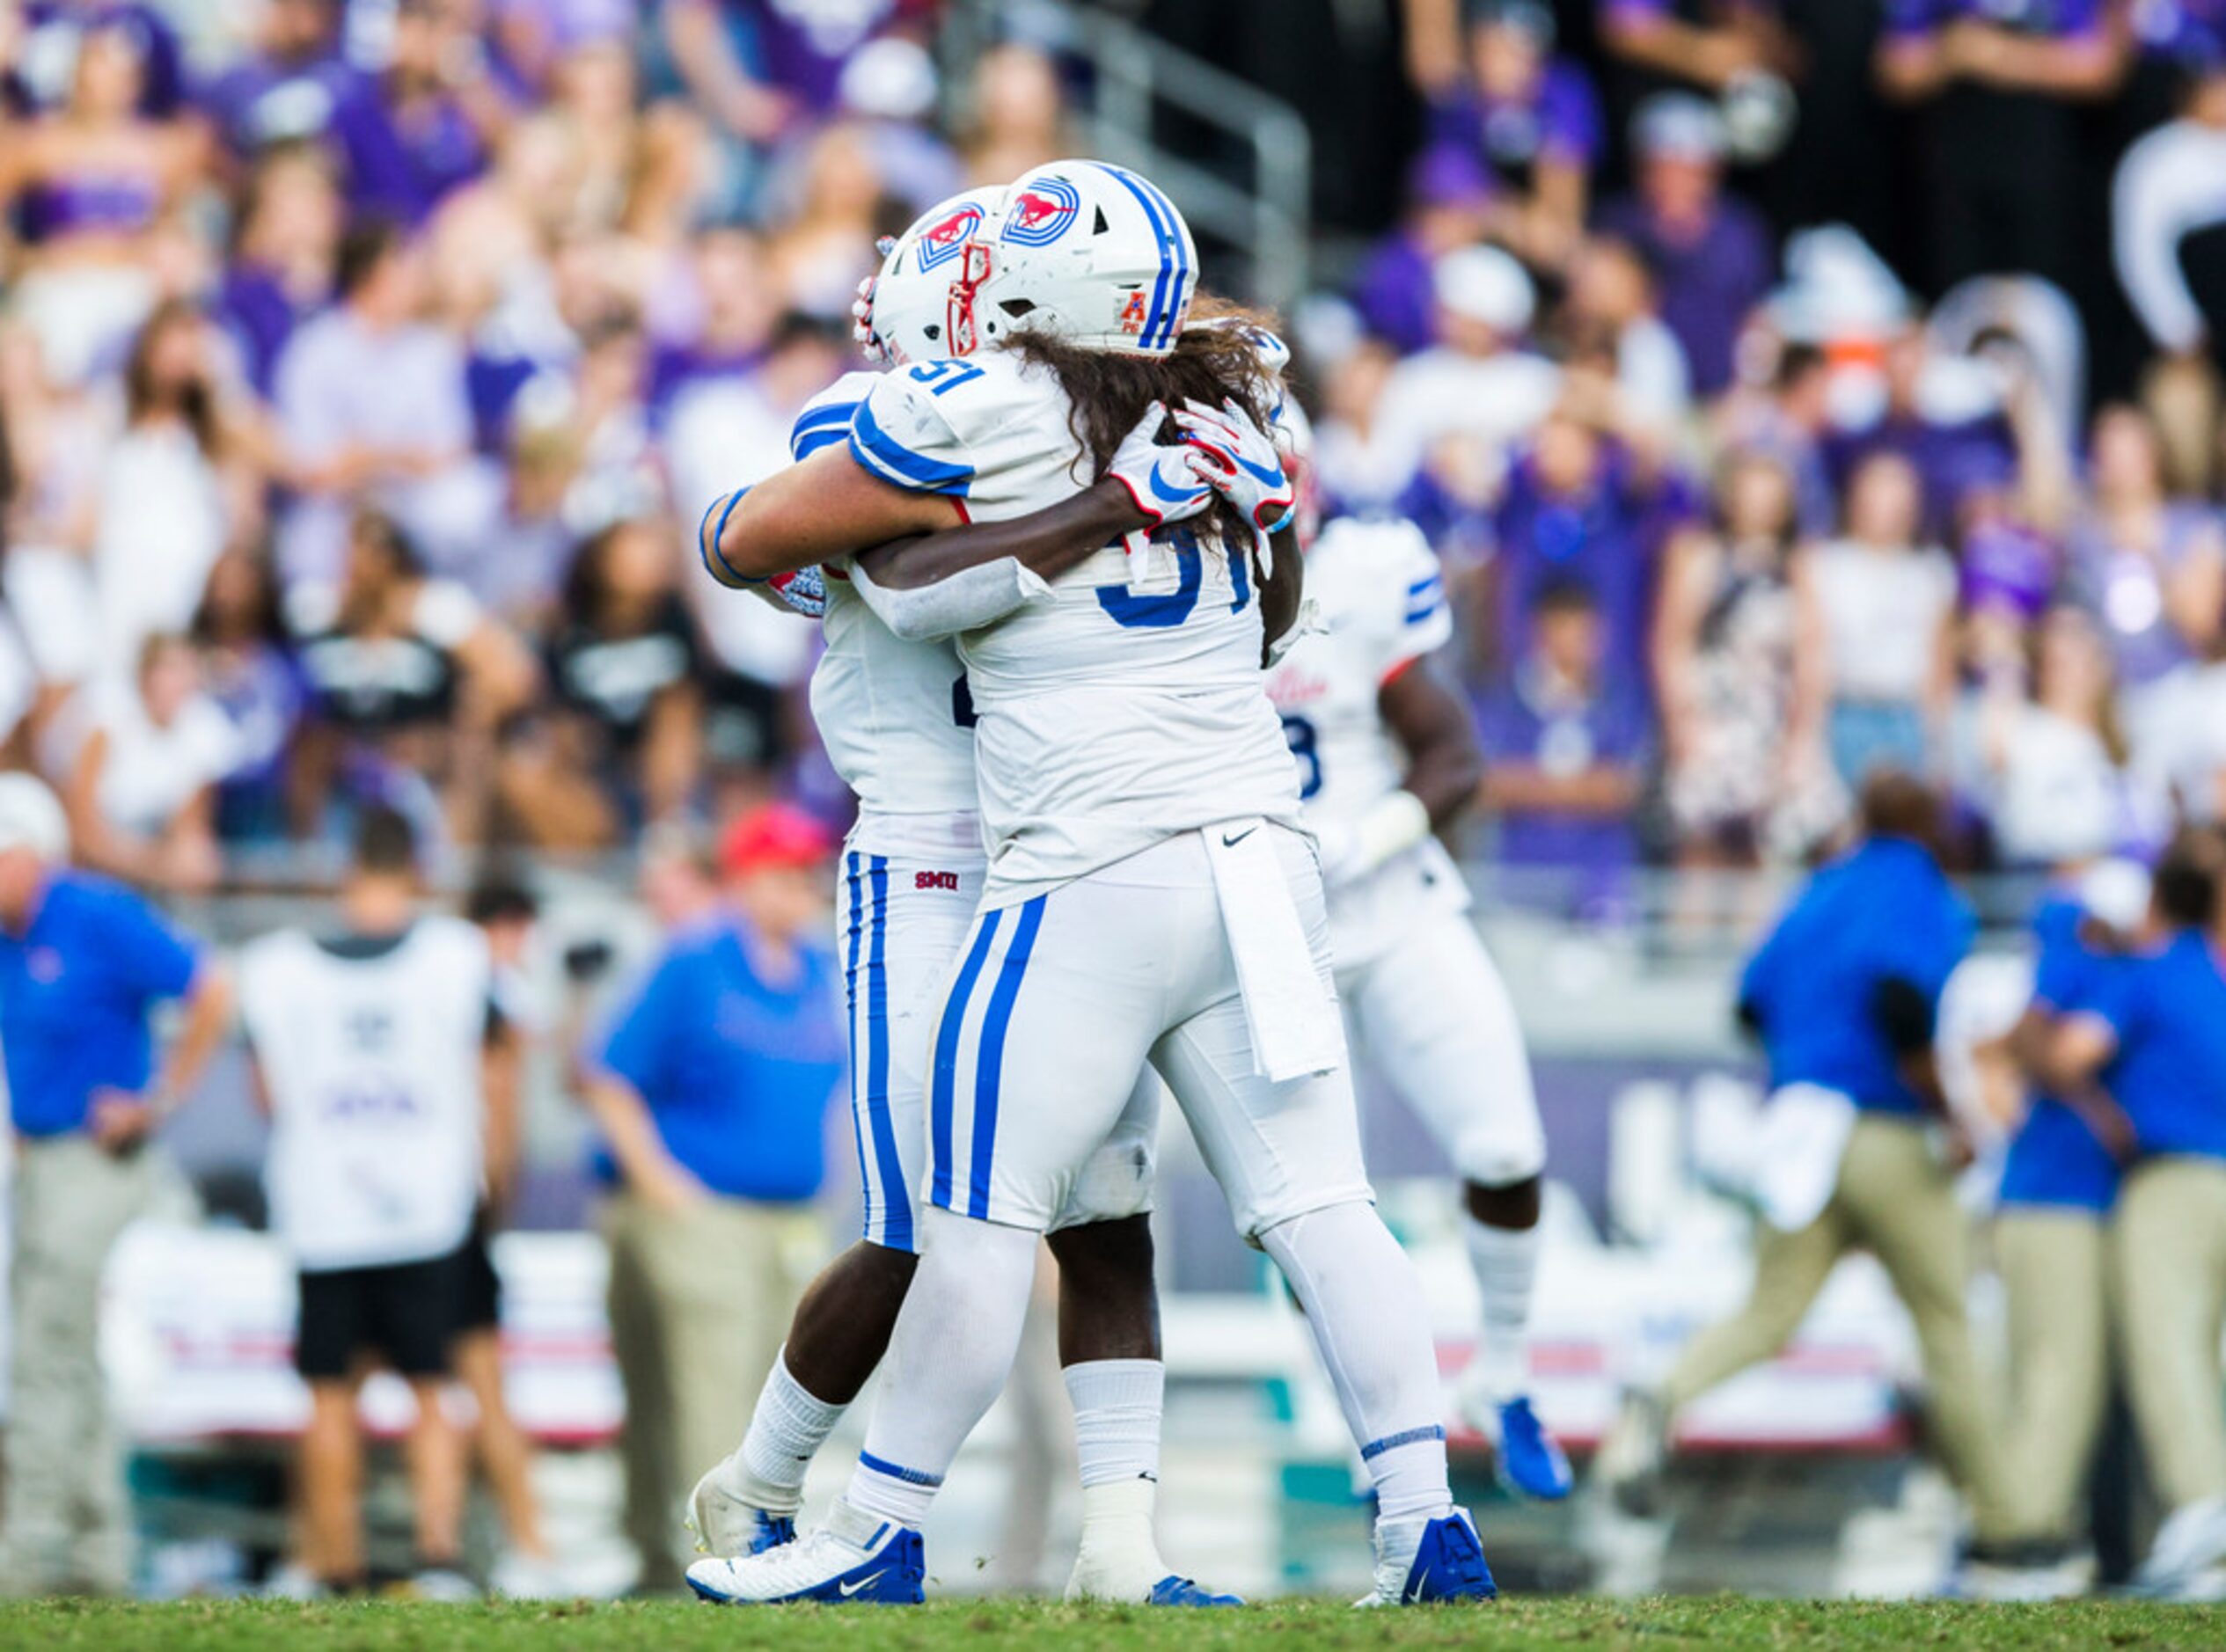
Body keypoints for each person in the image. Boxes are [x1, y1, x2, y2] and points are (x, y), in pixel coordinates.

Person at [691, 165, 1491, 1607]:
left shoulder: (963, 409)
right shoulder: (1228, 410)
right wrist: (1180, 510)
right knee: (1320, 1199)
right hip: (1246, 847)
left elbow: (881, 578)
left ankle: (883, 1527)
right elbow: (1269, 625)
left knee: (985, 1214)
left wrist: (1095, 518)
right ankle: (1424, 1517)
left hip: (1072, 863)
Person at [688, 186, 1251, 1610]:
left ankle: (1123, 1545)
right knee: (922, 1219)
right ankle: (767, 1477)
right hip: (937, 853)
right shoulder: (898, 417)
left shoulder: (1116, 418)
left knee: (1105, 1208)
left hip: (1076, 844)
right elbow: (741, 537)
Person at [1599, 772, 2030, 1591]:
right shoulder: (1916, 885)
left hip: (1800, 1132)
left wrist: (1808, 1058)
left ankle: (1656, 1403)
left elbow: (1749, 1006)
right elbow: (1901, 995)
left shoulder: (1819, 890)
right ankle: (2007, 1524)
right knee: (1946, 1326)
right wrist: (1948, 1113)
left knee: (1768, 1313)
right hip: (1882, 1129)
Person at [1264, 479, 1569, 1502]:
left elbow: (1454, 757)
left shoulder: (1357, 579)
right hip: (1266, 934)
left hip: (1391, 906)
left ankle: (1507, 1372)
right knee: (1308, 1209)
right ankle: (1378, 1440)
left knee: (1504, 1147)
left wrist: (1367, 836)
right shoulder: (1158, 595)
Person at [578, 804, 847, 1592]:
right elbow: (608, 1073)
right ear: (746, 875)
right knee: (709, 1387)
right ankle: (716, 1558)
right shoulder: (694, 960)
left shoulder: (818, 970)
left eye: (807, 871)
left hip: (788, 1216)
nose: (800, 887)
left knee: (778, 1387)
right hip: (702, 1208)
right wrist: (660, 1181)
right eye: (784, 871)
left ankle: (730, 1550)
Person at [239, 804, 494, 1599]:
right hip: (427, 1203)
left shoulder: (275, 968)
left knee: (327, 1391)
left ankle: (333, 1561)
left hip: (325, 1205)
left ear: (345, 871)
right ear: (415, 870)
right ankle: (438, 1557)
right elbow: (488, 1068)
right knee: (432, 1383)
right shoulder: (458, 956)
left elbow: (265, 1091)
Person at [0, 773, 231, 1596]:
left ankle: (29, 1556)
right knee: (71, 1354)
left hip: (97, 1164)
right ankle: (100, 1556)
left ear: (30, 851)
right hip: (41, 1164)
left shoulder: (92, 913)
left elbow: (209, 987)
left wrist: (156, 1100)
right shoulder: (13, 934)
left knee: (43, 1350)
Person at [2025, 830, 2226, 1599]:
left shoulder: (2149, 974)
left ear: (2156, 902)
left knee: (2163, 1345)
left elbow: (2071, 1055)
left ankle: (2201, 1510)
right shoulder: (2212, 975)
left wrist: (2033, 1039)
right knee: (2203, 1354)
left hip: (2169, 1183)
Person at [1992, 866, 2147, 1593]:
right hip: (2063, 1200)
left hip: (2048, 1199)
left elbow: (2020, 1040)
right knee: (2063, 1376)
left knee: (2049, 1374)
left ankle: (2037, 1526)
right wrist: (2104, 1114)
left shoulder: (2074, 960)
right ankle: (2024, 1531)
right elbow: (2038, 1045)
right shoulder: (2104, 970)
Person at [1476, 578, 1654, 918]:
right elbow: (1486, 786)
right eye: (1562, 629)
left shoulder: (1622, 700)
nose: (1573, 643)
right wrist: (1584, 788)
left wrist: (1529, 785)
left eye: (1582, 631)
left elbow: (1624, 788)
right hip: (1519, 888)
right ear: (1539, 631)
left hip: (1602, 892)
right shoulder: (1503, 699)